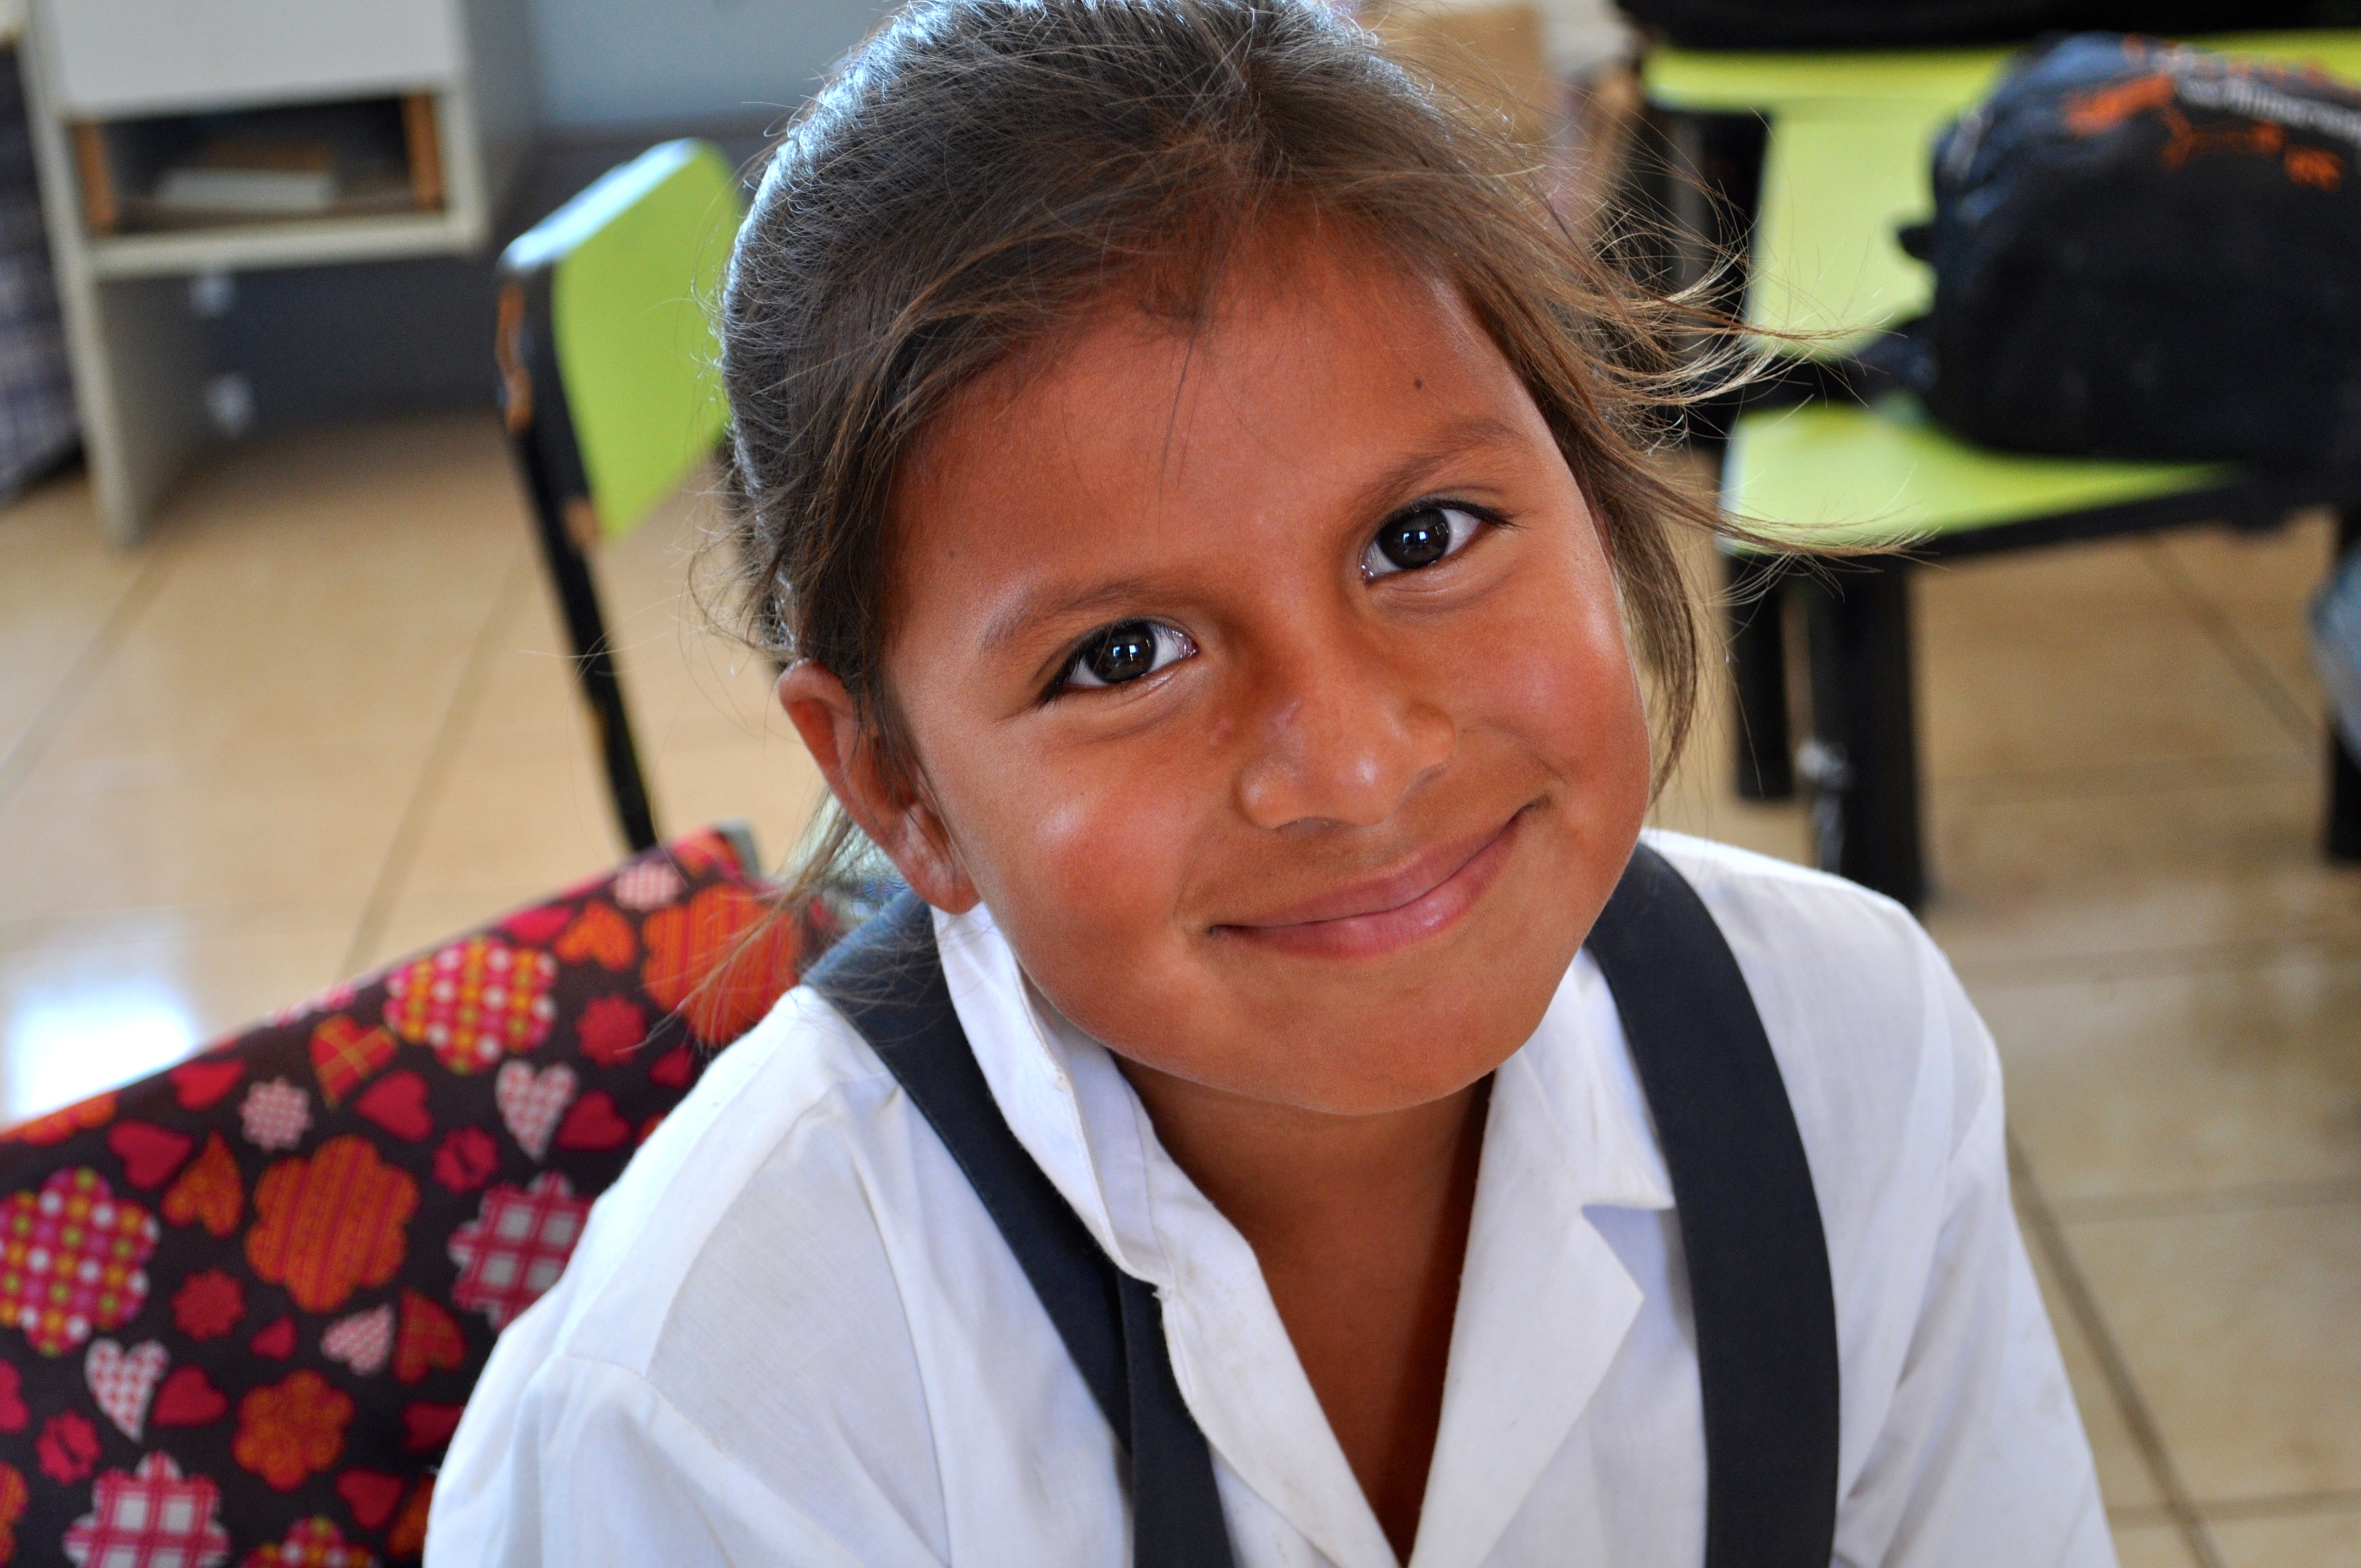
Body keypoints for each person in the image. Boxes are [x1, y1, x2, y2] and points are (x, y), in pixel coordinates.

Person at [429, 1, 2114, 1562]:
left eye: (1423, 538)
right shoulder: (711, 1410)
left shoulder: (1848, 1059)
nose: (1358, 765)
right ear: (899, 788)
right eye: (1123, 656)